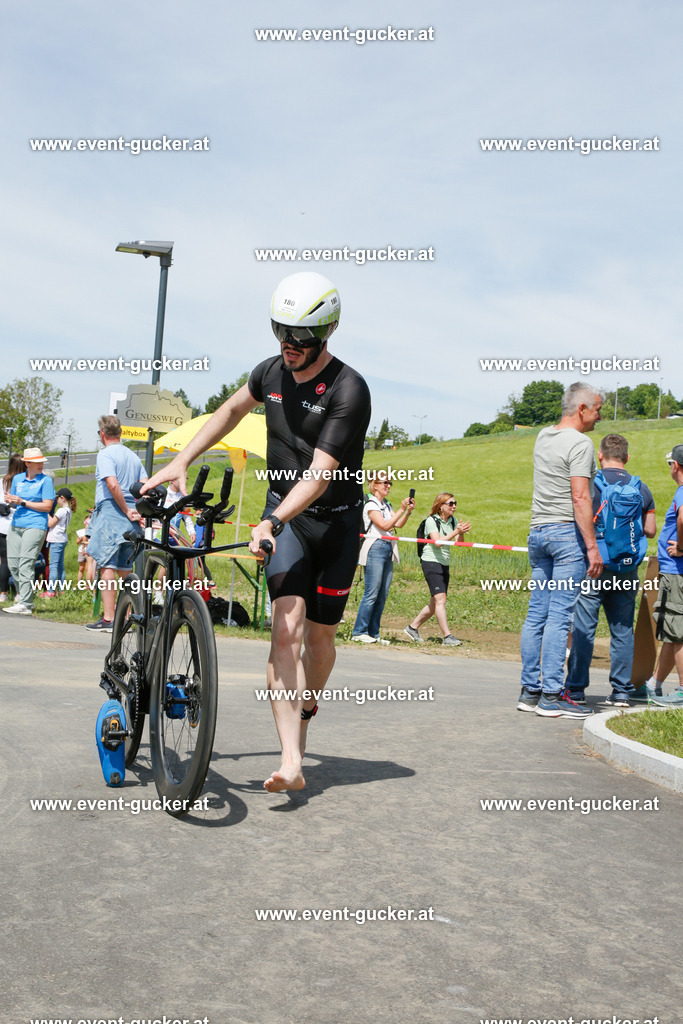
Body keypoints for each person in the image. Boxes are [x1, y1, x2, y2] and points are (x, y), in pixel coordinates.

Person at [144, 271, 371, 793]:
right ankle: (291, 759)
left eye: (300, 337)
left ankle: (308, 704)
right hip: (283, 521)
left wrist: (273, 519)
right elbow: (227, 411)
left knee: (320, 640)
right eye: (280, 332)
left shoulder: (349, 389)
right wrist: (182, 460)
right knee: (285, 629)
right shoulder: (268, 373)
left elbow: (319, 476)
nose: (289, 346)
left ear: (327, 331)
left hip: (334, 523)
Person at [517, 382, 604, 718]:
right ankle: (552, 695)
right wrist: (592, 548)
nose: (599, 417)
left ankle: (530, 691)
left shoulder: (543, 435)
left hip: (538, 533)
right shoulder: (581, 443)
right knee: (560, 616)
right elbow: (580, 497)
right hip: (567, 535)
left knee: (536, 614)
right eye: (596, 410)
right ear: (582, 408)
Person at [565, 434, 656, 706]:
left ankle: (577, 689)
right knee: (622, 630)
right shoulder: (641, 489)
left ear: (600, 456)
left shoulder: (592, 486)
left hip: (594, 566)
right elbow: (650, 530)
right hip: (627, 569)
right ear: (627, 458)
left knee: (584, 628)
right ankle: (620, 692)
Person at [85, 415, 146, 631]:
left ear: (102, 434)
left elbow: (112, 484)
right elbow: (145, 486)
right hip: (132, 516)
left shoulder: (105, 454)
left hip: (113, 510)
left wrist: (125, 509)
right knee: (125, 567)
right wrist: (139, 510)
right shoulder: (134, 457)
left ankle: (110, 619)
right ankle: (130, 615)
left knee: (107, 565)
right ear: (120, 433)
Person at [352, 471, 414, 643]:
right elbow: (384, 525)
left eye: (390, 483)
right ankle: (359, 631)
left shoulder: (386, 504)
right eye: (385, 482)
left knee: (382, 594)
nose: (388, 485)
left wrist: (407, 512)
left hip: (388, 548)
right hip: (375, 548)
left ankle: (373, 633)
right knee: (371, 593)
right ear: (375, 485)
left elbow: (398, 524)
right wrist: (401, 509)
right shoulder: (371, 504)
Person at [403, 492, 471, 645]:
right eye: (451, 503)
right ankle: (447, 636)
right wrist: (455, 531)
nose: (454, 506)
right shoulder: (431, 521)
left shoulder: (452, 521)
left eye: (455, 503)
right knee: (441, 599)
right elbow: (437, 542)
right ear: (441, 506)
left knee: (435, 604)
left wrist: (460, 532)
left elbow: (458, 543)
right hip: (431, 561)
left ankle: (412, 628)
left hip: (444, 562)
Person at [647, 445, 683, 707]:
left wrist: (681, 547)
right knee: (673, 632)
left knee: (678, 632)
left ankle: (682, 692)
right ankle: (654, 685)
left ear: (676, 466)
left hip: (676, 572)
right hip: (677, 573)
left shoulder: (682, 492)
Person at [3, 447, 56, 615]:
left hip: (35, 525)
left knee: (26, 562)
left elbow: (47, 506)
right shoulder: (18, 479)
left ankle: (26, 603)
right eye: (36, 462)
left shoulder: (45, 481)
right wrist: (11, 500)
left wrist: (23, 502)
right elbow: (14, 503)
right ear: (27, 464)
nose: (40, 465)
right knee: (13, 563)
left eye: (41, 462)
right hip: (16, 523)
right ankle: (24, 596)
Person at [0, 454, 25, 603]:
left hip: (1, 525)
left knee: (4, 560)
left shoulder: (2, 481)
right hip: (18, 524)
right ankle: (18, 592)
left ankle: (2, 593)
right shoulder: (22, 482)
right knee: (20, 560)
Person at [43, 487, 77, 597]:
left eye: (57, 498)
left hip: (56, 539)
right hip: (63, 539)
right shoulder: (68, 510)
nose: (56, 500)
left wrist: (46, 513)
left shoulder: (61, 510)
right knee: (60, 566)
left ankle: (51, 591)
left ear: (62, 498)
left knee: (53, 566)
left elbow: (51, 524)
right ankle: (61, 589)